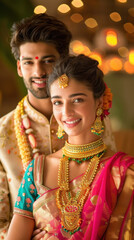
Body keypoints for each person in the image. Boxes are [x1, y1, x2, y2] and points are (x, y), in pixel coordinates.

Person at [6, 55, 134, 240]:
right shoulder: (37, 170)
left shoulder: (124, 173)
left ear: (99, 102)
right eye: (58, 102)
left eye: (77, 100)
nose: (65, 112)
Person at [0, 13, 72, 239]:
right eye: (29, 62)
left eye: (48, 61)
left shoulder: (90, 121)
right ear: (19, 68)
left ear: (64, 62)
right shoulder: (3, 132)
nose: (38, 72)